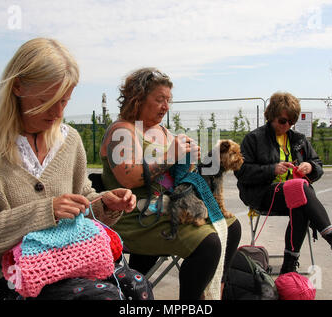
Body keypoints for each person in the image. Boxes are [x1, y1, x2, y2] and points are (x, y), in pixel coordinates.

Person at [0, 38, 140, 300]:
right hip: (6, 279)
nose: (58, 113)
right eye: (47, 101)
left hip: (69, 262)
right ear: (17, 87)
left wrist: (104, 204)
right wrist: (44, 211)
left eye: (65, 102)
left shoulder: (69, 140)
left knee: (136, 287)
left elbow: (82, 201)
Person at [100, 67, 242, 300]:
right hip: (132, 215)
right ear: (138, 99)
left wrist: (190, 159)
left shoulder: (163, 131)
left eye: (168, 100)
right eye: (159, 100)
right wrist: (170, 157)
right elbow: (129, 177)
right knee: (208, 244)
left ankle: (217, 289)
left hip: (165, 208)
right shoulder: (122, 131)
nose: (166, 106)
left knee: (231, 226)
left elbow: (176, 173)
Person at [234, 92, 332, 274]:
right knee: (301, 189)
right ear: (271, 116)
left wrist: (309, 167)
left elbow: (318, 164)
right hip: (262, 194)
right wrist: (272, 169)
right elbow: (241, 171)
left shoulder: (298, 140)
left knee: (300, 201)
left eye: (291, 122)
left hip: (294, 195)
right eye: (282, 121)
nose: (287, 126)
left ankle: (289, 265)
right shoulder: (254, 138)